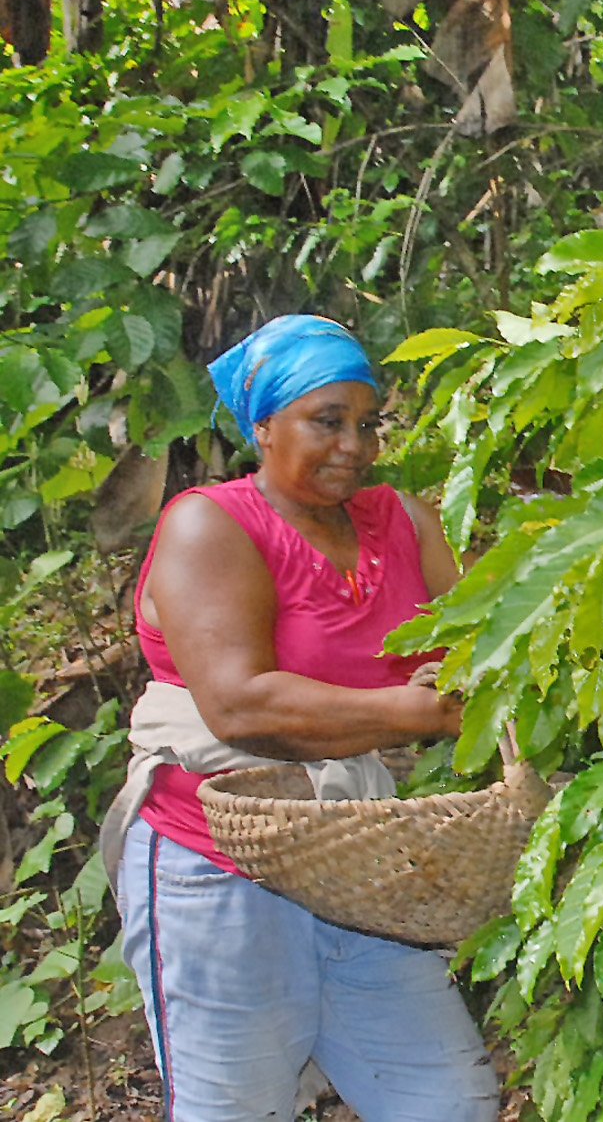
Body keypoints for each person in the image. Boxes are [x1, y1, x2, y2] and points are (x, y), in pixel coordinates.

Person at [104, 315, 499, 1122]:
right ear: (262, 426)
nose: (352, 443)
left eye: (366, 422)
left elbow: (479, 649)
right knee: (235, 1107)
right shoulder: (208, 523)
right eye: (327, 420)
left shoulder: (404, 519)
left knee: (448, 1100)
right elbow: (240, 704)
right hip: (216, 865)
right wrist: (418, 712)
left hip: (364, 860)